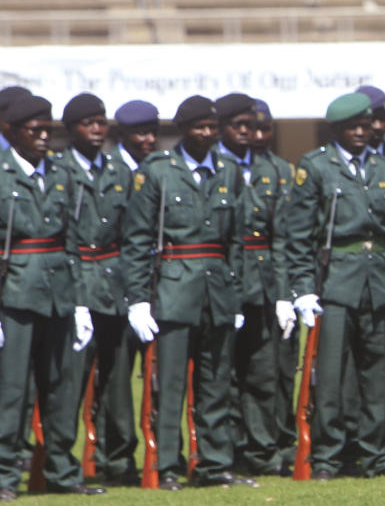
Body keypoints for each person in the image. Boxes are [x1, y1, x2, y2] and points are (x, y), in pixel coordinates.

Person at [123, 95, 252, 490]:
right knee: (172, 383)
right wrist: (139, 297)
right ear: (182, 130)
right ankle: (165, 465)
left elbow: (237, 241)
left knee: (216, 382)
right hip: (175, 288)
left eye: (212, 127)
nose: (208, 134)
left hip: (217, 289)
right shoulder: (158, 171)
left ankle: (215, 463)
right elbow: (137, 239)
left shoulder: (228, 170)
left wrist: (237, 292)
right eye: (199, 127)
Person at [286, 92, 385, 480]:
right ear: (338, 130)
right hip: (337, 280)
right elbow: (299, 235)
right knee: (332, 375)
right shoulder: (317, 166)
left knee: (381, 374)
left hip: (381, 279)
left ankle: (381, 455)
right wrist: (303, 288)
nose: (360, 133)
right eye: (351, 127)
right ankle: (328, 456)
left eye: (365, 126)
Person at [0, 95, 105, 499]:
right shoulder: (4, 172)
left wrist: (80, 302)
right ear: (10, 131)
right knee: (12, 391)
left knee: (62, 389)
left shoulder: (62, 173)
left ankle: (63, 474)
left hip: (59, 292)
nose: (44, 137)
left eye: (48, 129)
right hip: (15, 295)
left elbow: (74, 240)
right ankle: (5, 477)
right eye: (34, 130)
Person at [61, 94, 142, 485]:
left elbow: (132, 232)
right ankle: (62, 461)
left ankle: (119, 457)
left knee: (117, 376)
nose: (97, 129)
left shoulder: (118, 169)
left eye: (101, 121)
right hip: (74, 281)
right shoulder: (59, 169)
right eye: (87, 122)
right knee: (70, 378)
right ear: (70, 128)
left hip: (114, 282)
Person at [214, 93, 293, 476]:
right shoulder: (215, 166)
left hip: (261, 284)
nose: (248, 133)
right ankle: (227, 452)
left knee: (262, 373)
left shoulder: (273, 169)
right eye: (240, 125)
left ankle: (263, 452)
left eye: (255, 126)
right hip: (221, 283)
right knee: (222, 374)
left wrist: (282, 294)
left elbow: (280, 236)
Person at [248, 99, 300, 472]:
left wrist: (285, 293)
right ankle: (247, 446)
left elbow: (285, 238)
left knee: (276, 369)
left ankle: (277, 444)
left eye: (266, 129)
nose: (259, 136)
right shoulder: (226, 167)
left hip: (271, 281)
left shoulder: (282, 170)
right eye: (253, 128)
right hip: (234, 282)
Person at [111, 100, 159, 170]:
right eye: (143, 133)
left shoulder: (159, 166)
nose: (152, 139)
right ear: (123, 134)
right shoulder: (107, 167)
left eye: (155, 132)